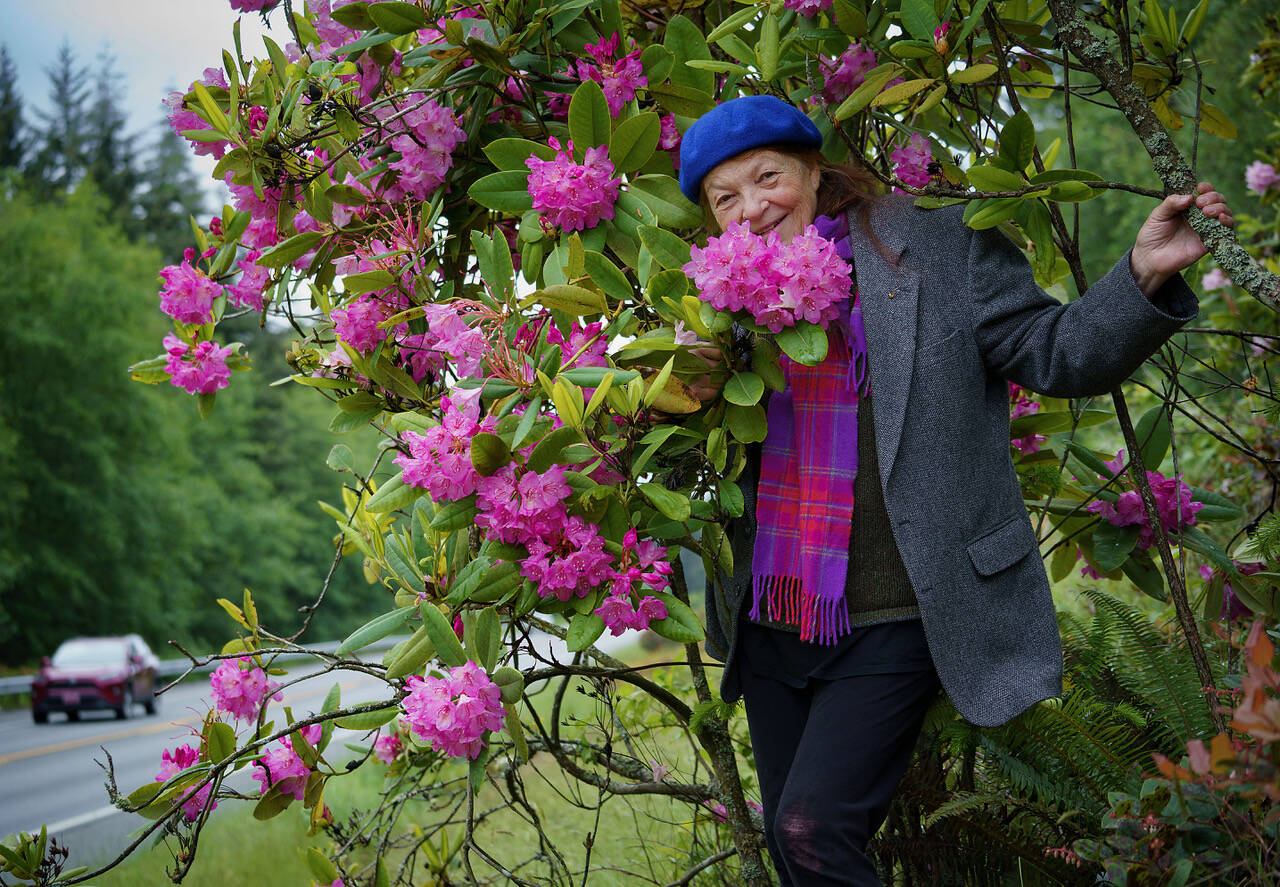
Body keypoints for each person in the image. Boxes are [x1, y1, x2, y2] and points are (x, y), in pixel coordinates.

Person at [677, 95, 1234, 886]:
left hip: (905, 608)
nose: (754, 208)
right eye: (725, 198)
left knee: (810, 829)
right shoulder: (716, 307)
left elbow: (1058, 353)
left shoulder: (933, 244)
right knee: (793, 847)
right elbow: (685, 460)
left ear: (812, 170)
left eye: (768, 177)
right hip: (778, 618)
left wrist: (1140, 273)